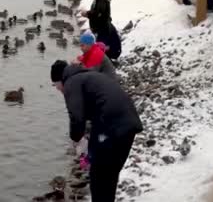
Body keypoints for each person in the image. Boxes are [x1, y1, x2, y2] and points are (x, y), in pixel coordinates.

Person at [50, 60, 143, 202]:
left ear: (59, 80)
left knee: (98, 177)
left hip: (112, 126)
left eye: (56, 86)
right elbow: (96, 116)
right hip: (128, 124)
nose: (59, 90)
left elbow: (76, 116)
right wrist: (88, 145)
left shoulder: (71, 82)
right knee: (109, 176)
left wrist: (77, 139)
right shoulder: (90, 76)